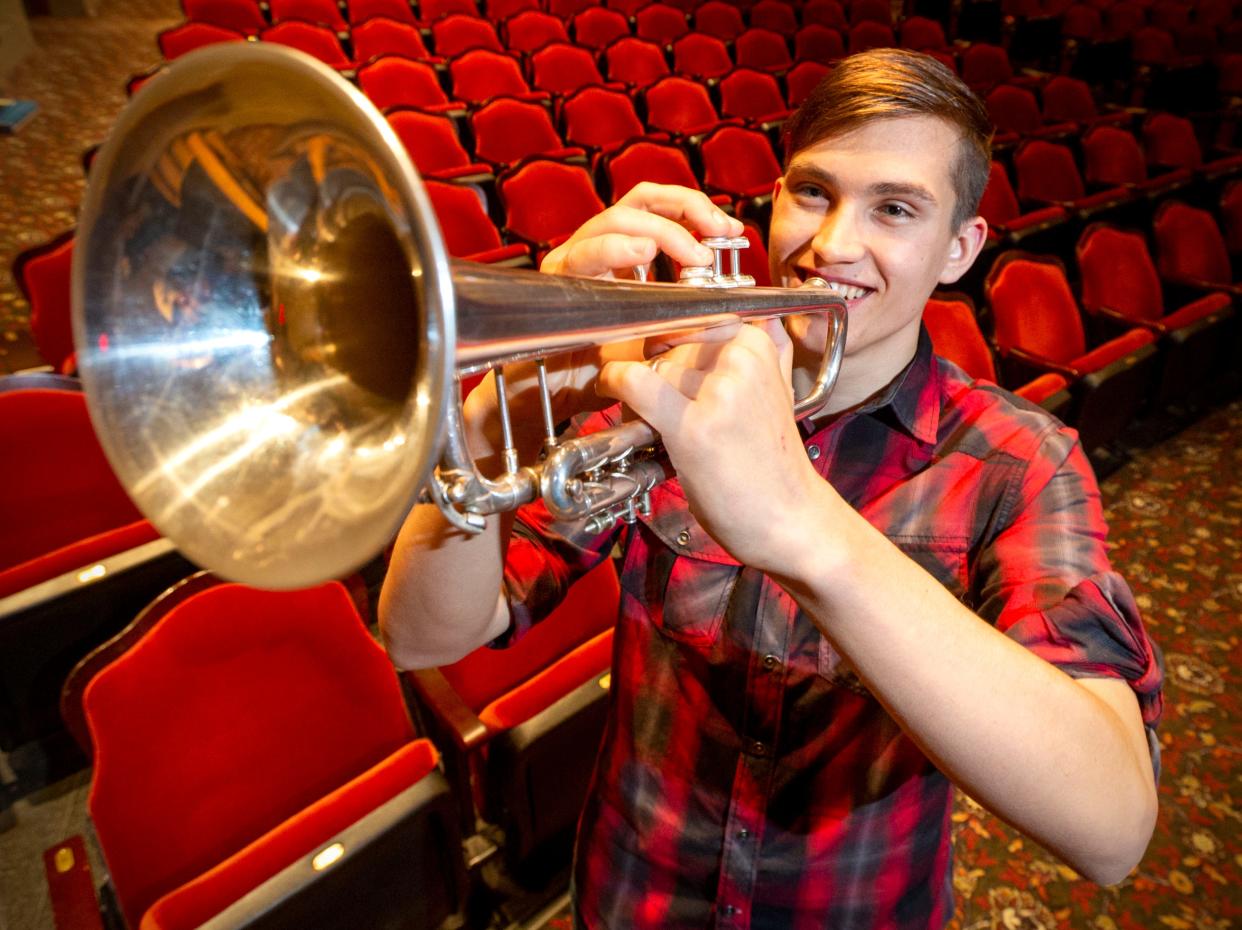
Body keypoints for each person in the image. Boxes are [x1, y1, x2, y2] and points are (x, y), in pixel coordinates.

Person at [380, 49, 1163, 929]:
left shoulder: (1023, 461)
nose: (830, 247)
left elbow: (1112, 828)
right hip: (630, 900)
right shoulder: (675, 384)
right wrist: (502, 399)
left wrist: (802, 523)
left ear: (958, 249)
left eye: (895, 209)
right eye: (813, 192)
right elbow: (422, 633)